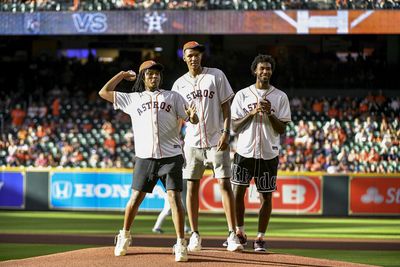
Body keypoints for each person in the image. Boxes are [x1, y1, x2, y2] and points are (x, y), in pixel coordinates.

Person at [98, 60, 199, 262]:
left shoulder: (173, 96)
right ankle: (124, 235)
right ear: (143, 77)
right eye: (150, 74)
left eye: (157, 74)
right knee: (135, 199)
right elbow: (104, 92)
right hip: (145, 156)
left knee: (175, 199)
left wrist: (193, 118)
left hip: (171, 156)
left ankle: (180, 243)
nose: (154, 77)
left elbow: (192, 119)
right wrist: (122, 75)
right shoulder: (133, 99)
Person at [172, 41, 243, 252]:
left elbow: (226, 107)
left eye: (197, 54)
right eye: (190, 55)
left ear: (202, 56)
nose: (194, 58)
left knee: (224, 184)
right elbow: (177, 118)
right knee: (192, 187)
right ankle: (194, 234)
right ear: (184, 58)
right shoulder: (178, 84)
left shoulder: (216, 75)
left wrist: (226, 132)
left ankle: (232, 234)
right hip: (192, 142)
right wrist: (177, 141)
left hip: (216, 140)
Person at [230, 54, 291, 252]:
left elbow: (282, 129)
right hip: (244, 151)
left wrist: (270, 113)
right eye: (262, 68)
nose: (265, 72)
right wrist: (252, 112)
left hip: (268, 152)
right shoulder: (242, 95)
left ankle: (260, 238)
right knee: (238, 192)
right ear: (255, 70)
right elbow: (235, 126)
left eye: (268, 69)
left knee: (266, 196)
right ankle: (239, 232)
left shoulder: (280, 96)